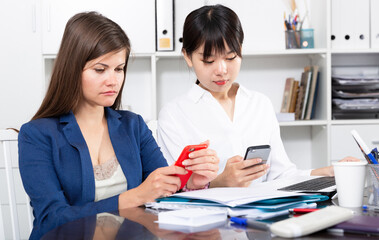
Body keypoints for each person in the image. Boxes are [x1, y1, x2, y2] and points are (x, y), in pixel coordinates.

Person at [18, 11, 219, 239]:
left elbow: (161, 196)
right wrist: (133, 197)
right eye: (100, 69)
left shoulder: (133, 126)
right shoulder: (36, 135)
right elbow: (51, 219)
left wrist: (190, 182)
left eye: (119, 69)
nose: (113, 80)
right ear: (72, 69)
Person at [157, 4, 358, 188]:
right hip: (204, 224)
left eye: (230, 57)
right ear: (187, 57)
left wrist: (328, 172)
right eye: (208, 60)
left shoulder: (259, 104)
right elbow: (173, 191)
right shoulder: (174, 115)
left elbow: (281, 175)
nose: (222, 70)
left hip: (261, 219)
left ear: (240, 50)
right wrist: (220, 183)